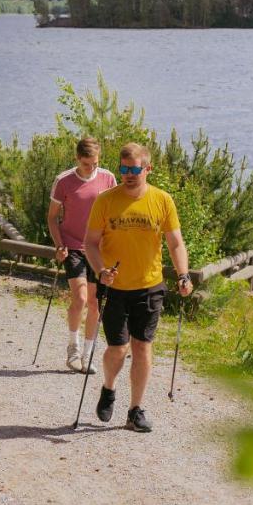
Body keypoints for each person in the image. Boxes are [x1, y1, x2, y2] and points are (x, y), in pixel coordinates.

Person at [83, 142, 192, 433]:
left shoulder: (162, 200)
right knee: (118, 349)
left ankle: (135, 410)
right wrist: (100, 270)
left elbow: (176, 242)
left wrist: (183, 275)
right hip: (114, 286)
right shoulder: (106, 200)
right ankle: (108, 388)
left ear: (148, 168)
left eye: (134, 169)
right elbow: (90, 243)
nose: (128, 175)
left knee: (143, 347)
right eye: (123, 169)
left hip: (149, 286)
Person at [47, 137, 116, 373]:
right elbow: (52, 217)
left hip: (97, 249)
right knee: (80, 298)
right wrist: (59, 245)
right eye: (87, 164)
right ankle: (73, 349)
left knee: (95, 303)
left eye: (95, 163)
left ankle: (88, 354)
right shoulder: (64, 181)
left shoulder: (108, 178)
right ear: (77, 159)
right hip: (73, 246)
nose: (91, 168)